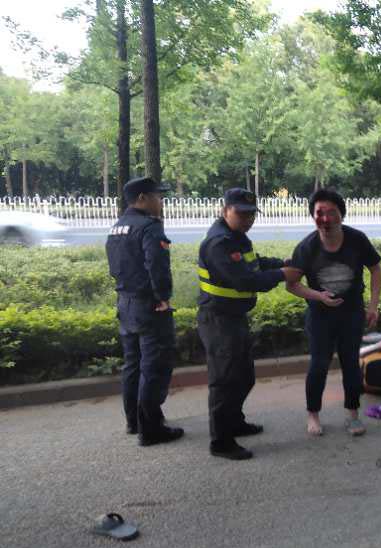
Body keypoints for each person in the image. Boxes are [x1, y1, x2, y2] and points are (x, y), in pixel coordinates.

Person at [197, 188, 302, 461]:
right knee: (225, 382)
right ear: (225, 211)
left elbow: (254, 264)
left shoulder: (237, 238)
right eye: (242, 214)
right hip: (218, 320)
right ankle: (221, 442)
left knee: (244, 377)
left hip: (234, 318)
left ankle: (235, 422)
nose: (248, 219)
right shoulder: (218, 244)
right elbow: (244, 280)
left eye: (252, 214)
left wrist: (280, 263)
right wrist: (281, 274)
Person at [286, 189, 381, 437]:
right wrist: (318, 296)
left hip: (352, 314)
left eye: (331, 212)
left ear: (341, 214)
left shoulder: (357, 240)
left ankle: (353, 414)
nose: (325, 218)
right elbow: (292, 284)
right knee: (319, 365)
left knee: (351, 363)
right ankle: (313, 414)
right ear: (313, 216)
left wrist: (373, 305)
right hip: (320, 317)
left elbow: (375, 269)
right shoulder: (307, 247)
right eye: (320, 213)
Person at [105, 176, 184, 446]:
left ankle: (134, 421)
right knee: (154, 366)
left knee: (133, 365)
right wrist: (163, 297)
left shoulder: (117, 227)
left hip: (125, 303)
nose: (160, 202)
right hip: (149, 306)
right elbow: (157, 267)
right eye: (157, 197)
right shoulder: (149, 227)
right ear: (142, 198)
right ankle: (151, 430)